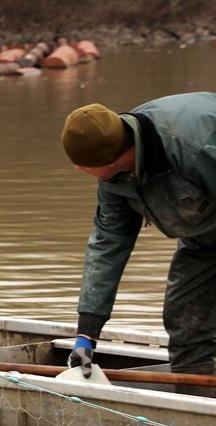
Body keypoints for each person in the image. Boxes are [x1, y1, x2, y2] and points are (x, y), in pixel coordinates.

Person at [60, 93, 216, 393]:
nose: (79, 170)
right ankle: (200, 417)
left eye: (82, 164)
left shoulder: (192, 146)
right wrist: (87, 334)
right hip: (203, 240)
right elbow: (108, 245)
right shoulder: (114, 180)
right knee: (186, 322)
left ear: (111, 156)